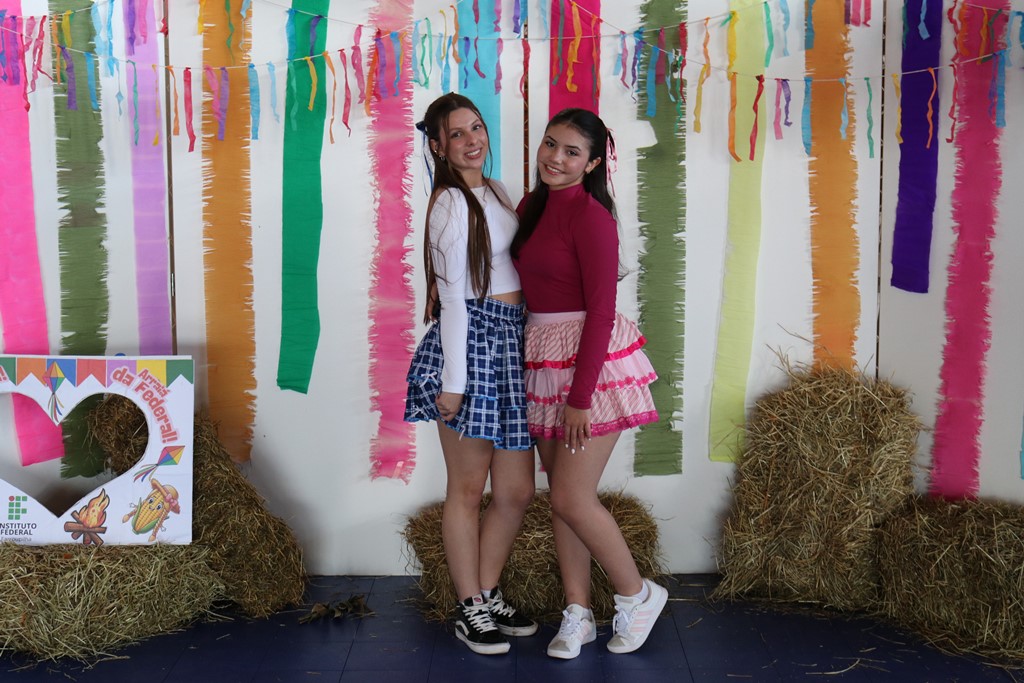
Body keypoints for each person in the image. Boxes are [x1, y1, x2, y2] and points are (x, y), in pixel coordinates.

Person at [511, 108, 666, 659]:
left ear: (594, 163)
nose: (555, 157)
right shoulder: (530, 207)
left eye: (572, 151)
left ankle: (638, 594)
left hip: (589, 364)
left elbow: (601, 312)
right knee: (562, 499)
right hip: (543, 357)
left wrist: (581, 398)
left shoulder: (593, 218)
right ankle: (577, 614)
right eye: (550, 144)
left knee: (572, 496)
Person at [404, 93, 538, 655]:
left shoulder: (497, 190)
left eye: (476, 128)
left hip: (511, 342)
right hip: (473, 344)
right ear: (437, 146)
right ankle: (469, 607)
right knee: (466, 488)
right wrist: (454, 384)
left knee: (515, 490)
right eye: (456, 134)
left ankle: (487, 591)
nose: (470, 140)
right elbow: (454, 302)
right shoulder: (449, 204)